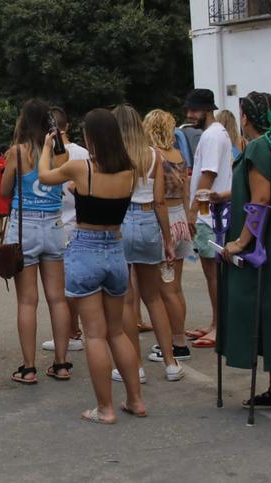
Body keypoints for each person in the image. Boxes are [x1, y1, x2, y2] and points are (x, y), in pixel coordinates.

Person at [39, 109, 143, 423]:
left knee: (94, 336)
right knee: (117, 333)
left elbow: (45, 176)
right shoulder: (131, 170)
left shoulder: (81, 167)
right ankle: (136, 400)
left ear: (90, 137)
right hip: (115, 250)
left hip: (85, 249)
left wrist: (47, 147)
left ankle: (105, 408)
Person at [217, 92, 271, 413]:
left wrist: (241, 241)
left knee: (256, 308)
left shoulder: (256, 147)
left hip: (260, 245)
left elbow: (261, 198)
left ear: (245, 118)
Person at [0, 99, 73, 384]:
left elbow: (6, 191)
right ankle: (62, 363)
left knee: (27, 302)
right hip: (54, 223)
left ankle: (28, 367)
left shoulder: (17, 152)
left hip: (24, 225)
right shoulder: (60, 154)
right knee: (57, 298)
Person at [113, 105, 184, 383]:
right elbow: (160, 201)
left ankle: (136, 367)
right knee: (153, 297)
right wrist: (167, 239)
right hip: (148, 220)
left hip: (122, 221)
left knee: (128, 300)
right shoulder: (154, 155)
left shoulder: (115, 157)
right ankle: (170, 362)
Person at [143, 109, 193, 366]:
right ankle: (178, 336)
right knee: (176, 286)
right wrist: (188, 218)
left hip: (165, 222)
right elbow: (185, 192)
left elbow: (156, 197)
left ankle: (178, 343)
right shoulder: (179, 156)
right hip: (181, 220)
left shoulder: (155, 157)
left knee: (165, 289)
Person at [184, 89, 232, 349]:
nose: (190, 115)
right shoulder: (214, 134)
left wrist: (193, 211)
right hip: (211, 215)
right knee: (211, 272)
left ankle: (220, 326)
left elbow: (208, 176)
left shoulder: (212, 136)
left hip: (210, 217)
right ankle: (216, 322)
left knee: (214, 274)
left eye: (194, 110)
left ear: (207, 109)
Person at [42, 107, 88, 354]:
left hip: (58, 223)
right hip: (79, 222)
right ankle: (77, 331)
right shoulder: (83, 152)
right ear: (67, 127)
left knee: (63, 287)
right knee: (76, 283)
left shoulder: (45, 153)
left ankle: (73, 333)